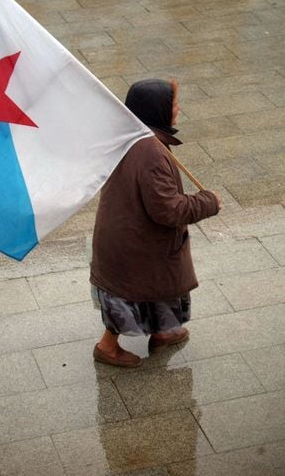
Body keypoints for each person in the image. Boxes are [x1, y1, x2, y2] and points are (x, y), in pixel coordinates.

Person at [90, 78, 221, 367]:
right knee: (129, 292)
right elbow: (168, 210)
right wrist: (208, 202)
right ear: (157, 109)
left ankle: (162, 331)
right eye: (173, 104)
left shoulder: (130, 138)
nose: (177, 109)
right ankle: (107, 347)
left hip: (128, 234)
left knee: (156, 285)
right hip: (135, 244)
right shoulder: (150, 151)